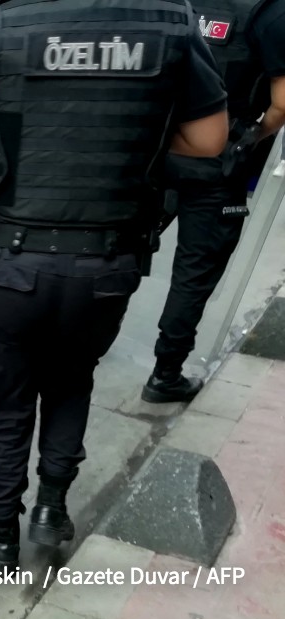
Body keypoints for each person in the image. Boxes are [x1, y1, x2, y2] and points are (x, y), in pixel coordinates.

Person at [0, 0, 229, 569]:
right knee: (71, 380)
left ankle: (1, 532)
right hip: (106, 264)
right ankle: (51, 509)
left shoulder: (4, 27)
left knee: (6, 397)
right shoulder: (170, 24)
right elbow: (210, 139)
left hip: (12, 262)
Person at [143, 0, 285, 403]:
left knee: (120, 248)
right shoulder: (270, 12)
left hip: (159, 147)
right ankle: (165, 374)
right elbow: (282, 103)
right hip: (219, 161)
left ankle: (81, 344)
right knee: (194, 273)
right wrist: (247, 139)